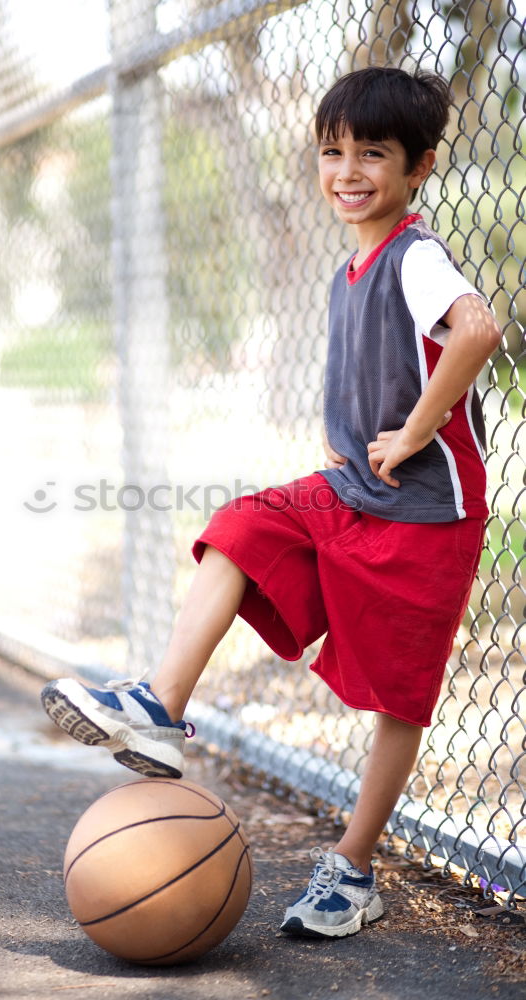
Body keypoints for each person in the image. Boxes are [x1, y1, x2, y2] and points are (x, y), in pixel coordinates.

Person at [41, 66, 501, 939]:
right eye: (332, 152)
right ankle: (159, 709)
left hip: (428, 514)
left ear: (420, 168)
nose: (348, 169)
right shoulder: (348, 271)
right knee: (241, 525)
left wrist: (411, 433)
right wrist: (351, 429)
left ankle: (353, 870)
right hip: (355, 488)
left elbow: (477, 331)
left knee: (400, 701)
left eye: (374, 152)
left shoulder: (416, 253)